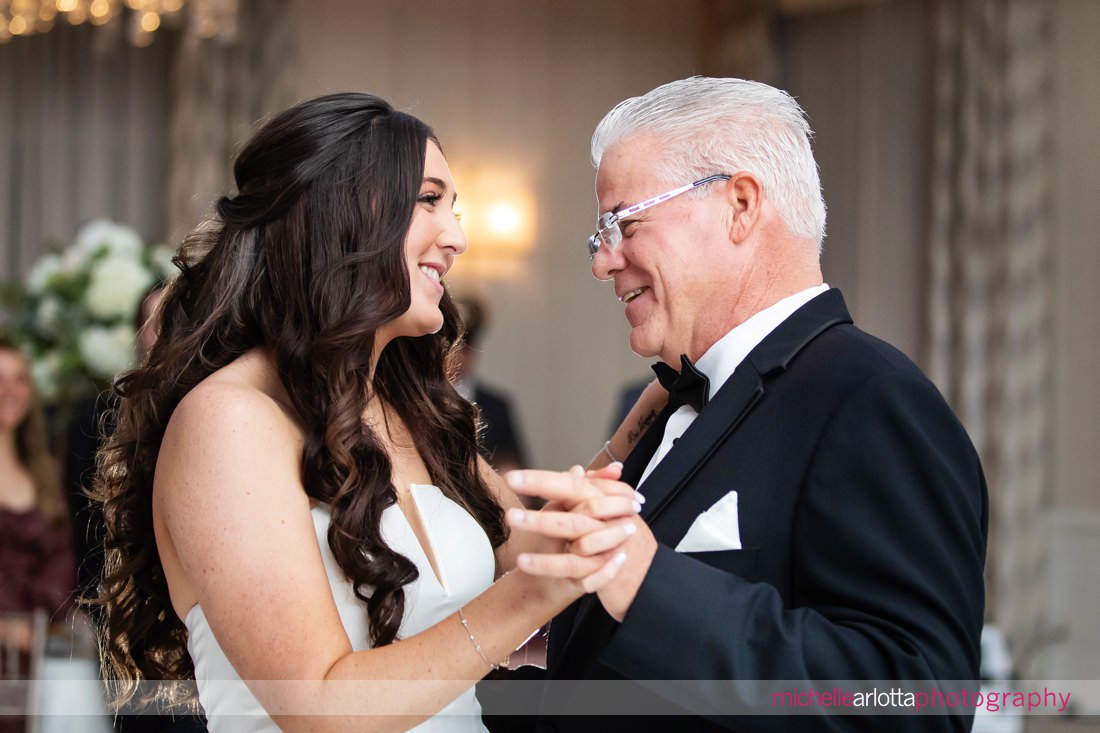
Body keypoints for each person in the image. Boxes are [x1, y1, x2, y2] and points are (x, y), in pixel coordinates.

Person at [91, 93, 659, 733]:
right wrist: (522, 605)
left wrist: (651, 410)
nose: (459, 237)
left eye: (456, 209)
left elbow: (534, 550)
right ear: (337, 213)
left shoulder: (412, 414)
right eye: (429, 201)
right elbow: (316, 705)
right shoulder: (229, 419)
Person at [505, 77, 988, 732]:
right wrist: (557, 634)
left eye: (624, 222)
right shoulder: (672, 402)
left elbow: (916, 702)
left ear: (739, 204)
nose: (604, 261)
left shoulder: (871, 398)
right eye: (600, 234)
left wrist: (649, 585)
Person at [0, 339, 76, 693]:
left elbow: (61, 562)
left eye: (20, 379)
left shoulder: (44, 475)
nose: (9, 391)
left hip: (35, 665)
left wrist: (40, 627)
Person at [453, 297, 530, 473]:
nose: (459, 357)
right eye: (454, 348)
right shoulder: (423, 399)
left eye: (465, 348)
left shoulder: (497, 405)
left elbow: (512, 462)